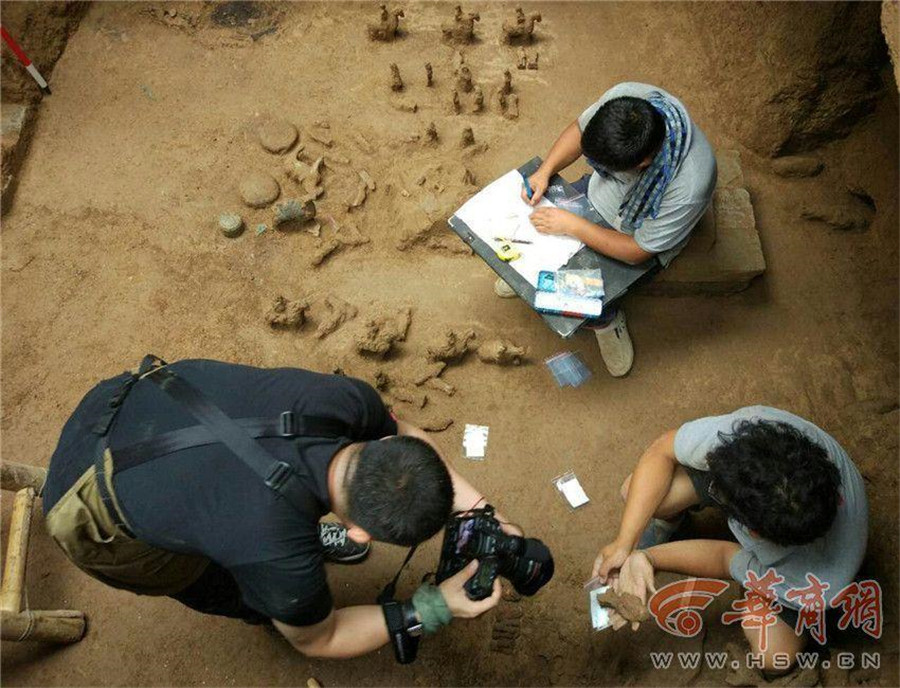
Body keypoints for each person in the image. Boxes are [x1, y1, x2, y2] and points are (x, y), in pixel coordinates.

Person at [43, 356, 524, 659]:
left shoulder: (347, 400)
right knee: (229, 586)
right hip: (89, 502)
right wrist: (437, 606)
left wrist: (480, 509)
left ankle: (253, 554)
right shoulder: (276, 552)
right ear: (360, 533)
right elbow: (322, 639)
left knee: (252, 519)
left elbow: (408, 435)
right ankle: (262, 608)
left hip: (120, 405)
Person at [591, 406, 867, 673]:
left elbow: (725, 557)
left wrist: (653, 557)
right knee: (635, 492)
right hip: (770, 496)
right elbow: (662, 450)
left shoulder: (811, 576)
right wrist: (627, 545)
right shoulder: (755, 435)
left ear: (753, 533)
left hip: (798, 569)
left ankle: (769, 598)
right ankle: (672, 519)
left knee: (773, 655)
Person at [506, 82, 717, 377]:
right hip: (598, 198)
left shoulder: (689, 186)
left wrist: (573, 225)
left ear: (642, 164)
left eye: (606, 167)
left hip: (637, 234)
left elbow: (636, 251)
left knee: (578, 293)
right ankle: (530, 274)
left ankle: (606, 320)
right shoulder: (628, 101)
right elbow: (580, 131)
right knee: (533, 242)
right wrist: (546, 170)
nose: (596, 167)